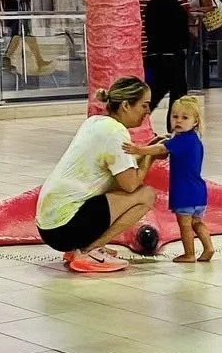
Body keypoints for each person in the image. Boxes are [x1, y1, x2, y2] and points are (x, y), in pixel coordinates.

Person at [36, 75, 164, 275]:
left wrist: (147, 150)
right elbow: (131, 185)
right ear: (125, 106)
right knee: (146, 195)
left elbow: (121, 175)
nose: (148, 111)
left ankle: (82, 247)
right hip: (64, 228)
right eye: (144, 105)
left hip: (49, 225)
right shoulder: (116, 133)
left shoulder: (96, 122)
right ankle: (89, 250)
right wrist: (151, 156)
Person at [139, 0, 195, 113]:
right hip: (171, 47)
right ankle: (175, 124)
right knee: (175, 89)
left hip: (149, 45)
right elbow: (186, 10)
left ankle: (141, 115)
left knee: (158, 85)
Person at [165, 94, 214, 263]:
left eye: (184, 118)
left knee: (184, 224)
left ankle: (189, 254)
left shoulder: (182, 140)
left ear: (195, 122)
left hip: (184, 192)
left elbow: (159, 150)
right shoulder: (193, 139)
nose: (178, 121)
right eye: (175, 116)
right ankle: (208, 248)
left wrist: (137, 149)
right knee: (197, 222)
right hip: (199, 191)